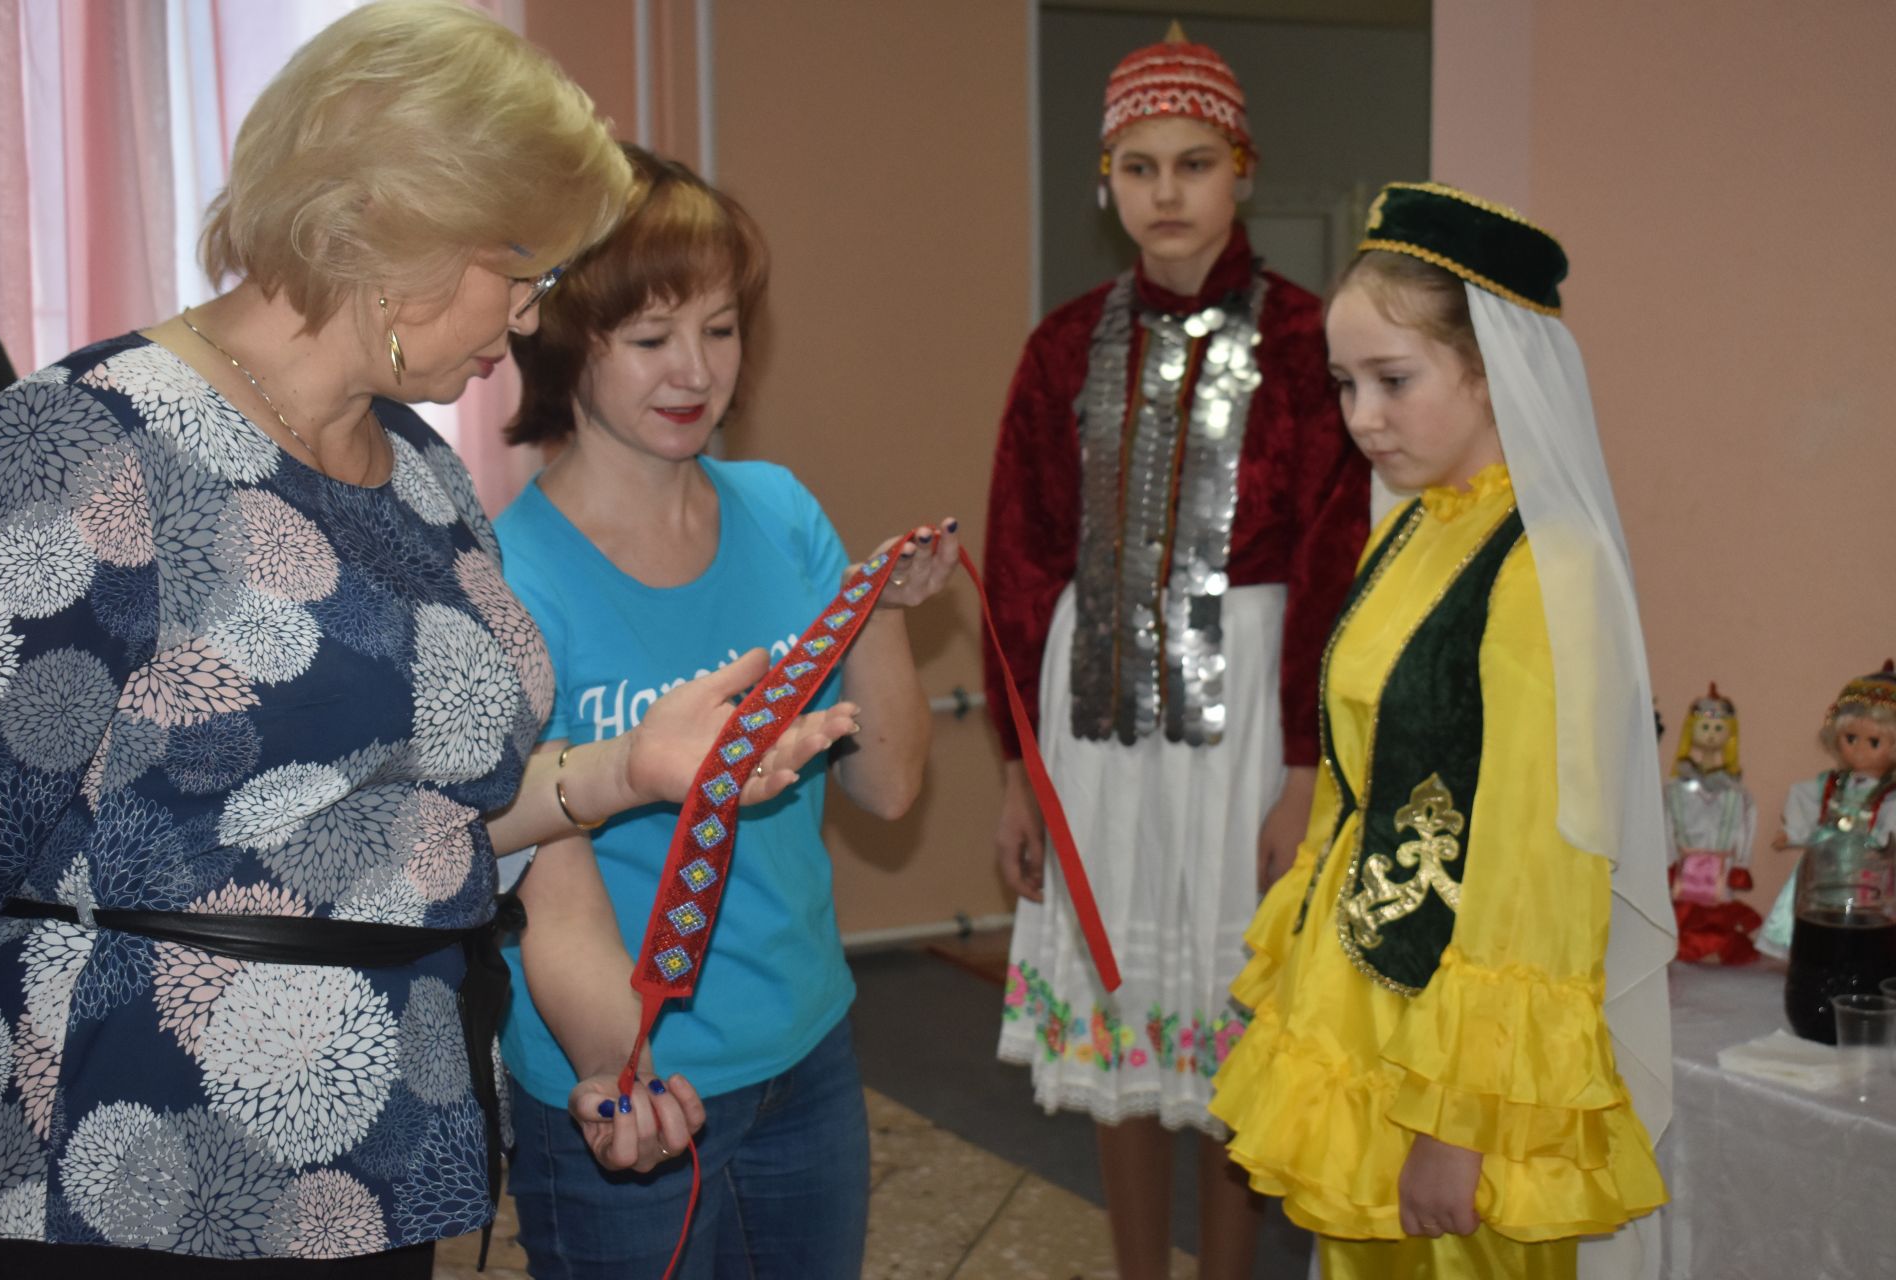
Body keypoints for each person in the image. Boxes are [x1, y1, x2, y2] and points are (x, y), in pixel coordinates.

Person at [0, 5, 843, 1274]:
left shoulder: (426, 477)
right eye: (524, 265)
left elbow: (427, 817)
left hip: (387, 1153)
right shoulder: (89, 443)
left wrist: (629, 770)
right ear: (395, 222)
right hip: (131, 1166)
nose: (537, 315)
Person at [491, 144, 959, 1279]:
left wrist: (878, 609)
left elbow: (888, 790)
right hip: (622, 1078)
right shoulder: (508, 572)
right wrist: (625, 1057)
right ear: (565, 341)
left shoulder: (780, 509)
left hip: (808, 1046)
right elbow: (526, 866)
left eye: (720, 326)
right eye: (650, 338)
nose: (693, 369)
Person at [1206, 183, 1675, 1279]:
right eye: (1344, 384)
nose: (1361, 415)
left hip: (1464, 1063)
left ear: (1490, 367)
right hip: (1373, 1009)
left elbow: (1537, 864)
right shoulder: (1414, 532)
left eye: (1393, 380)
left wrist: (1457, 1117)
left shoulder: (1545, 570)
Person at [982, 25, 1368, 1277]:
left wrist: (1307, 769)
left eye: (1192, 163)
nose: (1165, 193)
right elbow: (1025, 559)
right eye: (1138, 167)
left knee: (1233, 1032)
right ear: (1107, 182)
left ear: (1242, 168)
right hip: (1090, 723)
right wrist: (1017, 766)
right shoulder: (1058, 349)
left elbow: (1333, 563)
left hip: (1251, 718)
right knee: (1118, 1027)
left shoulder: (1314, 342)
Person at [1757, 660, 1896, 958]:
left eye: (1874, 742)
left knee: (1864, 927)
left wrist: (1884, 844)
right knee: (1817, 920)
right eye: (1850, 739)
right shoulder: (1831, 784)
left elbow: (1889, 828)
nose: (1858, 750)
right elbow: (1806, 800)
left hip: (1866, 872)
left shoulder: (1888, 795)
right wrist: (1793, 833)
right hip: (1825, 865)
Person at [1665, 684, 1763, 964]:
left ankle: (1715, 947)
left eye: (1718, 729)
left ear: (1729, 734)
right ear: (1691, 731)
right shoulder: (1675, 788)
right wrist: (1669, 860)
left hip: (1721, 867)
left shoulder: (1736, 792)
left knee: (1719, 910)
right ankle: (1688, 947)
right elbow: (1667, 825)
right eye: (1704, 727)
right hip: (1687, 867)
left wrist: (1741, 863)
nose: (1711, 735)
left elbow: (1746, 826)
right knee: (1683, 912)